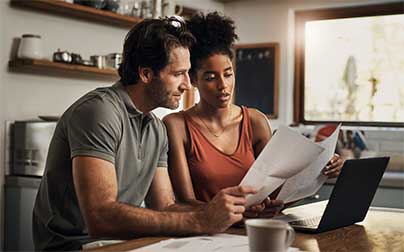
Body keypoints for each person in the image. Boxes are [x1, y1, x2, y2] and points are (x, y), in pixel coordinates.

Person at [32, 17, 257, 251]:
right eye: (178, 74)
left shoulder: (156, 128)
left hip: (125, 243)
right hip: (73, 246)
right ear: (146, 74)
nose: (187, 85)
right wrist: (200, 220)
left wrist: (230, 211)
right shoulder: (99, 111)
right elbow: (101, 216)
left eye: (188, 74)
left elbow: (165, 206)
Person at [163, 12, 344, 218]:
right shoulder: (176, 125)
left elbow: (276, 191)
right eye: (210, 77)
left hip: (255, 230)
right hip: (207, 235)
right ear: (193, 80)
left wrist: (320, 170)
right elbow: (185, 202)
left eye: (228, 74)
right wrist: (237, 212)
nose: (223, 85)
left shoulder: (255, 122)